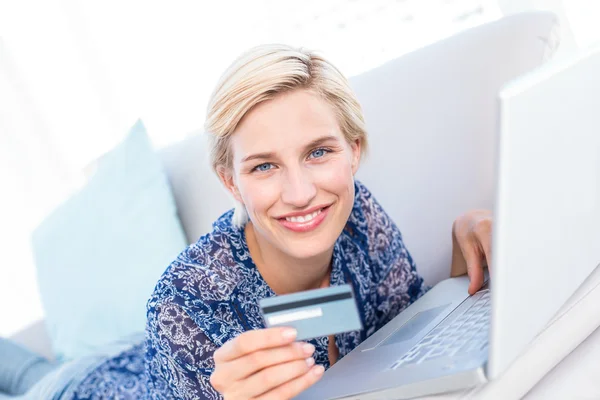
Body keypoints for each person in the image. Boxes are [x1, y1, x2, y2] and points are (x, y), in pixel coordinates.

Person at [0, 44, 492, 400]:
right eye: (264, 166)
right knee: (28, 377)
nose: (300, 194)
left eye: (319, 152)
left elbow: (415, 343)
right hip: (86, 389)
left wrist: (462, 246)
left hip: (139, 353)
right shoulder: (183, 306)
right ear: (231, 183)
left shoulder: (359, 214)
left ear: (354, 151)